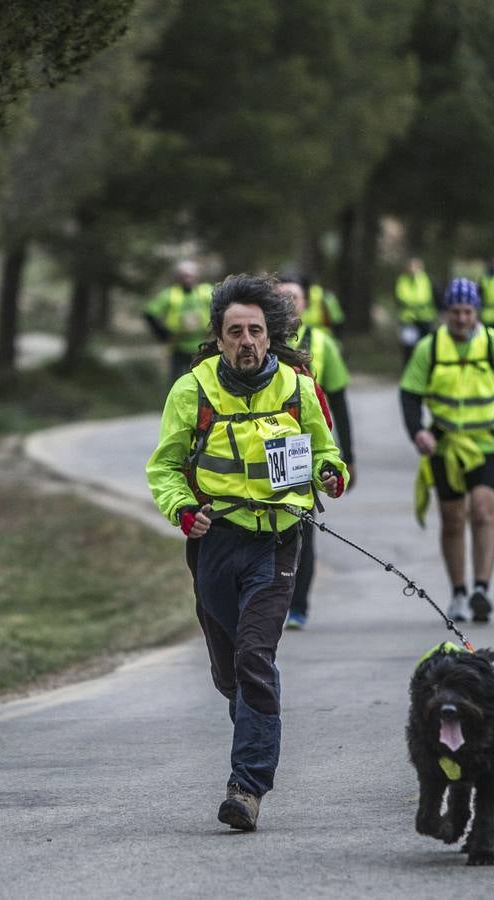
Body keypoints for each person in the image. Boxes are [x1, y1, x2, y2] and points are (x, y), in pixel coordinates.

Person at [146, 273, 348, 832]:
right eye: (234, 331)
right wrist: (184, 510)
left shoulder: (298, 387)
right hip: (215, 543)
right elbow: (163, 468)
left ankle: (248, 786)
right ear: (218, 336)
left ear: (271, 334)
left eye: (255, 330)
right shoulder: (193, 389)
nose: (246, 341)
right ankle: (250, 720)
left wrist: (332, 473)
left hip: (278, 541)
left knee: (255, 658)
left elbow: (328, 451)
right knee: (229, 674)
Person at [399, 278, 494, 624]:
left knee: (482, 511)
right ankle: (459, 593)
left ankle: (482, 588)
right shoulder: (429, 348)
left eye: (467, 312)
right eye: (455, 312)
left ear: (476, 312)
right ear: (446, 313)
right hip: (446, 446)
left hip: (489, 444)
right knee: (451, 519)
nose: (462, 319)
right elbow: (410, 395)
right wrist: (418, 431)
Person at [277, 275, 356, 631]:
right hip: (264, 447)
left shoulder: (323, 343)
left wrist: (347, 454)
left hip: (304, 447)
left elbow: (338, 401)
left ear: (307, 303)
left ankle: (298, 606)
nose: (289, 304)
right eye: (281, 298)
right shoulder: (259, 339)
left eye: (294, 297)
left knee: (302, 528)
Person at [143, 260, 215, 387]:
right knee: (177, 383)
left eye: (190, 276)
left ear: (196, 276)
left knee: (203, 382)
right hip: (178, 346)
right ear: (178, 277)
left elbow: (222, 304)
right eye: (184, 276)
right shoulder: (170, 294)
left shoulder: (204, 292)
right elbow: (150, 313)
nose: (188, 279)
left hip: (202, 346)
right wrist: (163, 334)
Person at [394, 257, 438, 364]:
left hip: (425, 318)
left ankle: (426, 367)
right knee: (408, 347)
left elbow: (428, 297)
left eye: (416, 267)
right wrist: (417, 303)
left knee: (426, 347)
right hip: (408, 319)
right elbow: (402, 297)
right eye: (411, 267)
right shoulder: (402, 280)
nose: (413, 270)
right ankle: (408, 369)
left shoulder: (426, 279)